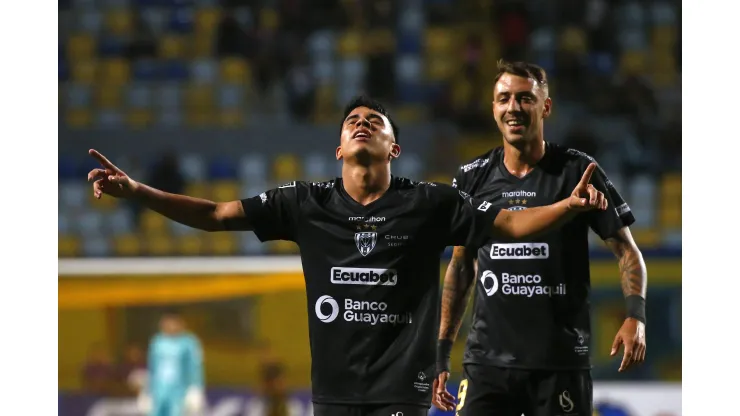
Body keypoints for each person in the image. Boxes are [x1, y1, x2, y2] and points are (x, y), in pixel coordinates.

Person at [87, 95, 607, 416]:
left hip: (403, 392)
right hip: (332, 394)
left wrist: (567, 205)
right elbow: (217, 214)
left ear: (393, 148)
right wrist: (137, 192)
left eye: (375, 120)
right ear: (338, 147)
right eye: (352, 120)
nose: (362, 123)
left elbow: (511, 224)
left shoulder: (429, 203)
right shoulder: (305, 203)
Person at [432, 61, 648, 416]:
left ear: (545, 106)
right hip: (487, 365)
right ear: (493, 108)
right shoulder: (472, 177)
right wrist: (442, 352)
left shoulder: (578, 171)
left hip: (560, 364)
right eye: (504, 99)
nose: (513, 108)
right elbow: (461, 266)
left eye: (524, 99)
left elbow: (627, 252)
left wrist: (635, 316)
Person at [139, 311, 205, 416]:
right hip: (158, 389)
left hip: (180, 389)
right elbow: (152, 367)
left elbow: (195, 366)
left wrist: (195, 388)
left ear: (180, 324)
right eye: (165, 323)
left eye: (172, 323)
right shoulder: (157, 342)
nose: (169, 326)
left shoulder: (189, 342)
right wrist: (147, 392)